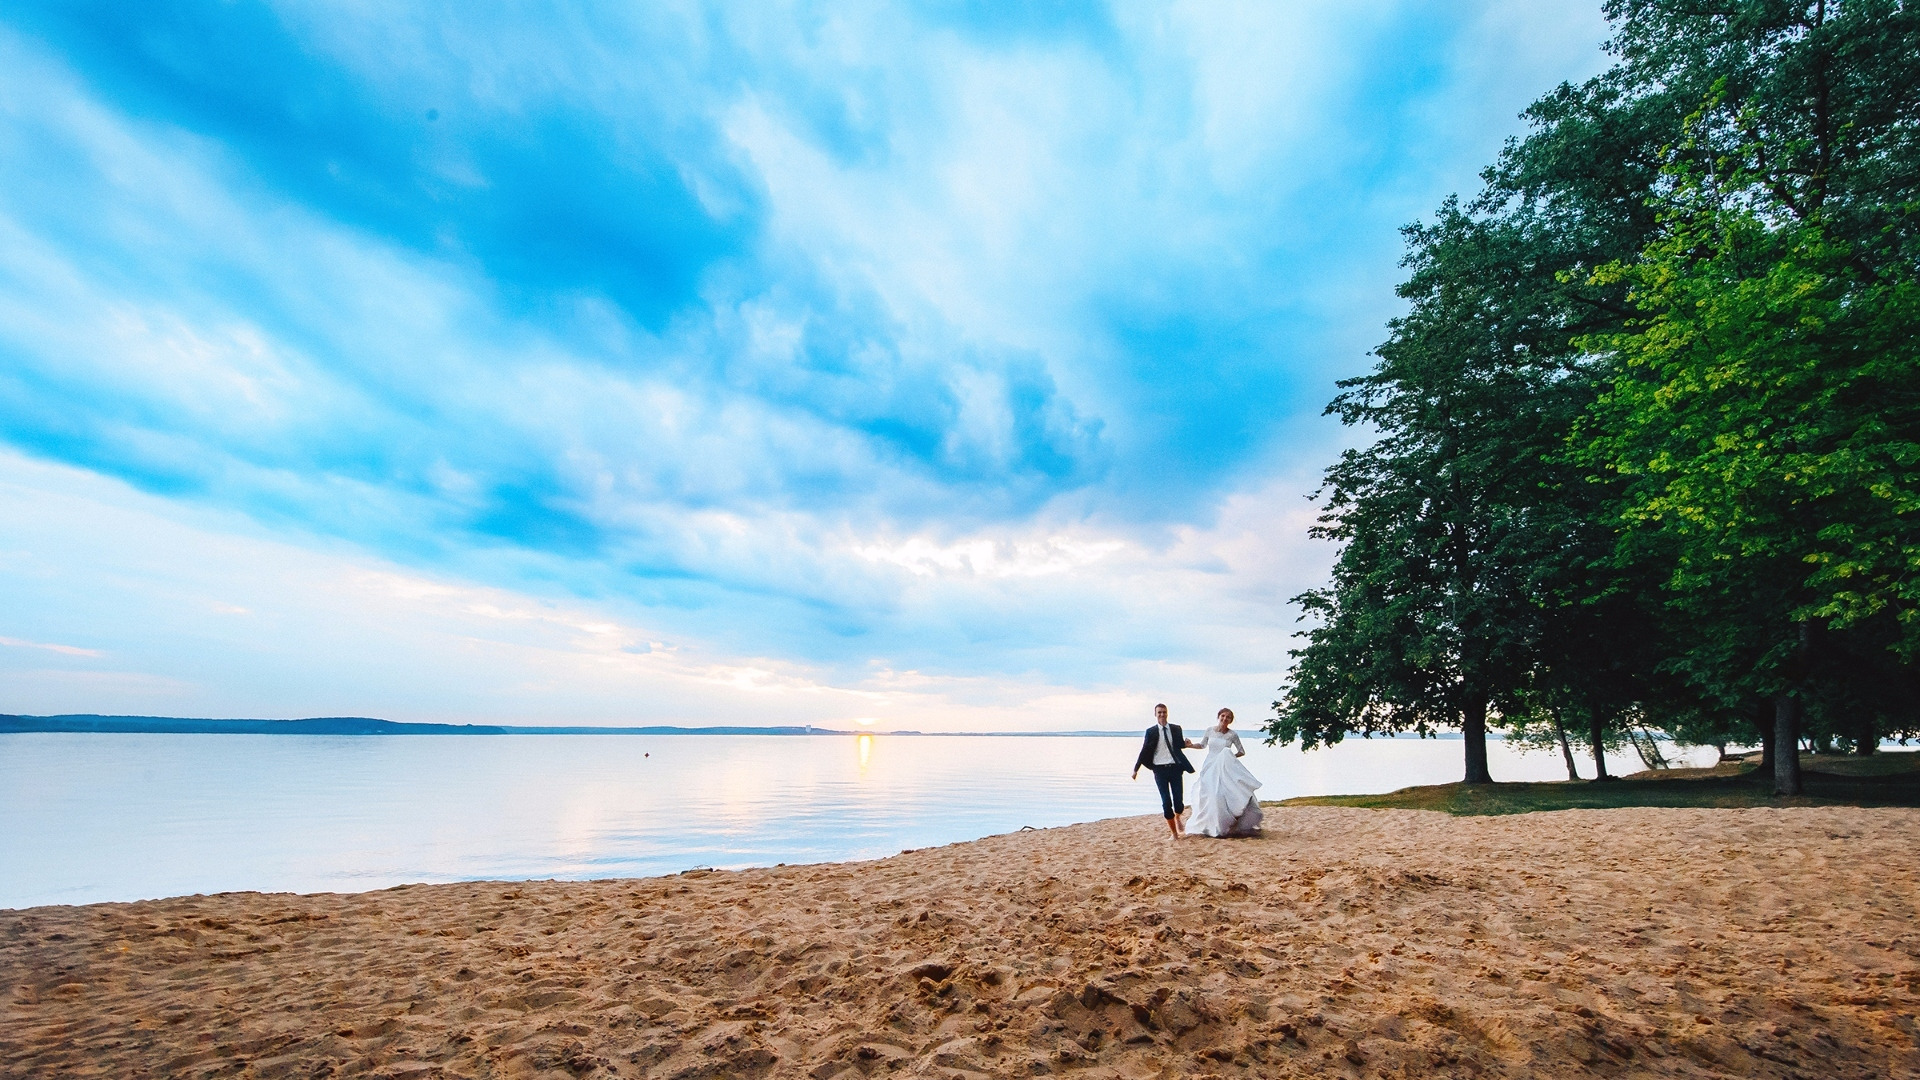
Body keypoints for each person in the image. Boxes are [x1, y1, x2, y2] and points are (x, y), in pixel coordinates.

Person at [1183, 707, 1264, 837]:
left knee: (1225, 793)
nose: (1225, 719)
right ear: (1219, 716)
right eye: (1223, 716)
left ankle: (1230, 823)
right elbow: (1203, 745)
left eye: (1228, 717)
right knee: (1210, 794)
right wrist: (1191, 745)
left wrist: (1229, 757)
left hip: (1225, 768)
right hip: (1211, 765)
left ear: (1230, 720)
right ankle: (1211, 824)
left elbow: (1241, 751)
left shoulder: (1232, 735)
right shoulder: (1210, 730)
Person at [1131, 703, 1195, 839]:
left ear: (1167, 713)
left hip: (1175, 768)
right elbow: (1144, 751)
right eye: (1159, 712)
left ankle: (1178, 816)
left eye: (1164, 712)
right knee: (1166, 802)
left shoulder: (1176, 729)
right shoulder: (1151, 731)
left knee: (1178, 802)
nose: (1162, 715)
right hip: (1159, 770)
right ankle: (1174, 834)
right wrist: (1136, 769)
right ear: (1155, 714)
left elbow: (1178, 746)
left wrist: (1186, 744)